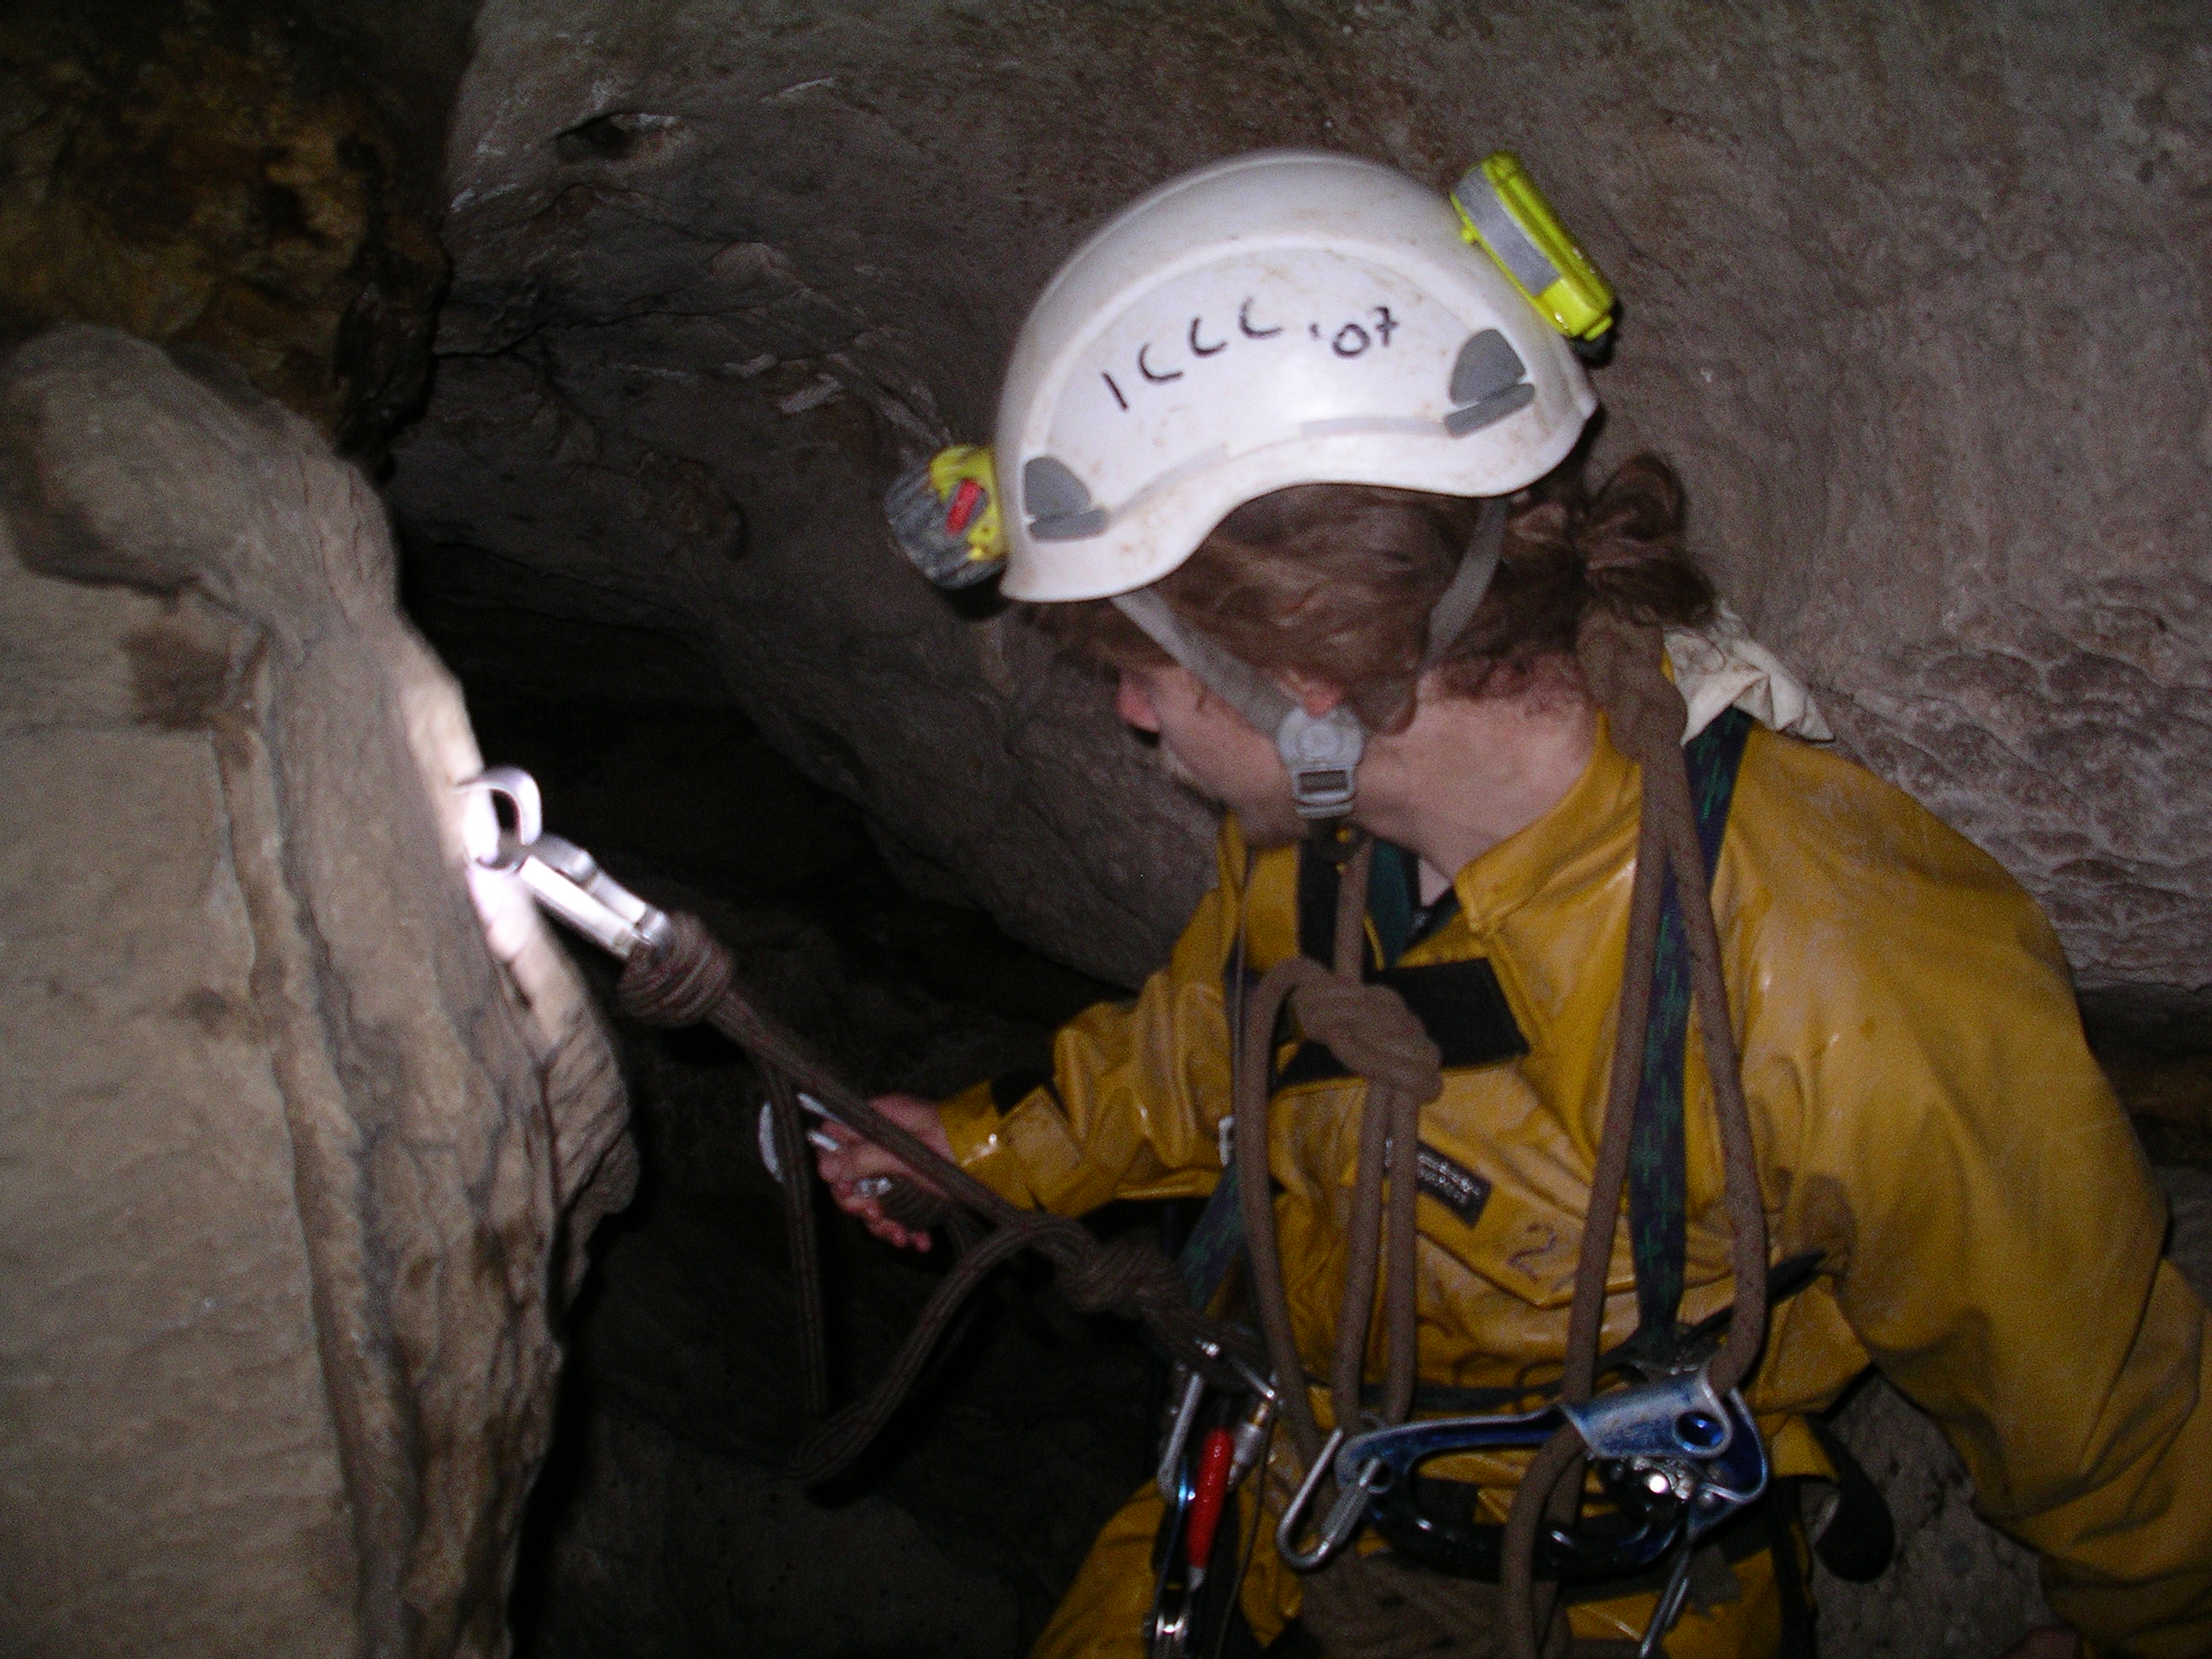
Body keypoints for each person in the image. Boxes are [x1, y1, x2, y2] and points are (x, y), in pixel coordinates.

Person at [818, 151, 2211, 1658]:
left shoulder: (1839, 958)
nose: (1131, 717)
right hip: (1269, 1502)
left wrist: (2149, 1628)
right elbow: (1215, 1045)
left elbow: (2086, 1391)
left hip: (1595, 1599)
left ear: (1303, 677)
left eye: (1137, 668)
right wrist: (977, 1149)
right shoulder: (1314, 838)